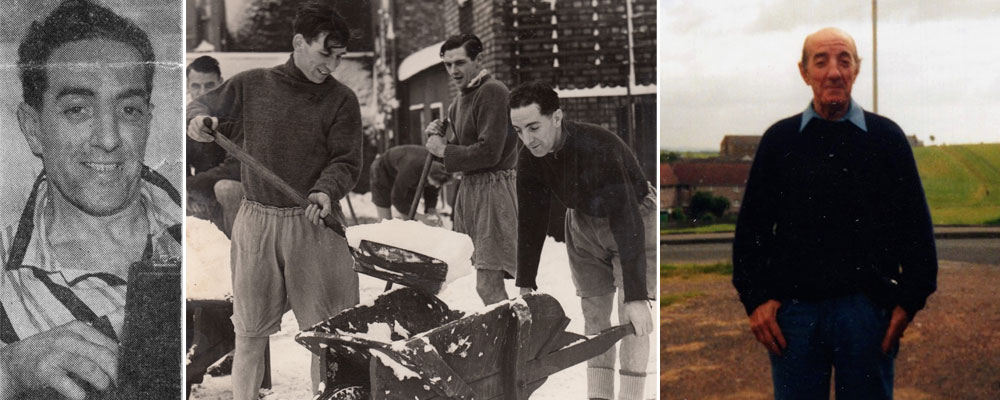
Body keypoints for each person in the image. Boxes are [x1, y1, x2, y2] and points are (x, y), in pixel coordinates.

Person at [732, 27, 937, 399]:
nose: (833, 72)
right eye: (821, 61)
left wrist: (908, 302)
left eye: (844, 61)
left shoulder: (887, 139)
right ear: (804, 71)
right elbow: (751, 233)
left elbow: (917, 232)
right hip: (793, 319)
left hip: (867, 316)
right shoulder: (779, 141)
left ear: (856, 70)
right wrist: (755, 299)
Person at [0, 0, 182, 399]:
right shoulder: (5, 274)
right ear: (33, 129)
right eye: (78, 109)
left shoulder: (203, 240)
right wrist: (9, 373)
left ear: (148, 121)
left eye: (129, 109)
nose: (109, 138)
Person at [186, 2, 362, 398]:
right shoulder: (252, 84)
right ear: (299, 43)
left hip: (313, 223)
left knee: (326, 334)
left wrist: (325, 190)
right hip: (258, 223)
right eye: (324, 53)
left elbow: (347, 160)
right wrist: (198, 121)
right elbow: (202, 107)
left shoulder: (341, 100)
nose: (332, 65)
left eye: (339, 56)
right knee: (249, 333)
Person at [510, 81, 655, 400]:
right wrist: (525, 283)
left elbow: (625, 217)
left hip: (633, 217)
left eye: (534, 127)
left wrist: (635, 294)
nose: (527, 139)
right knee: (595, 318)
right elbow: (531, 221)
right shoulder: (530, 158)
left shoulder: (597, 147)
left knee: (630, 319)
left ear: (557, 117)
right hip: (582, 224)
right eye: (519, 131)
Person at [424, 33, 518, 305]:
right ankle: (511, 338)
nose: (453, 70)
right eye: (448, 64)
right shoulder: (458, 101)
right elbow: (460, 156)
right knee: (485, 281)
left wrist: (444, 150)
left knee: (488, 284)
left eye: (460, 63)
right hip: (471, 192)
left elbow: (489, 152)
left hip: (493, 191)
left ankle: (515, 340)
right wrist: (438, 142)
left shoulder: (493, 92)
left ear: (479, 60)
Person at [184, 55, 244, 237]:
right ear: (187, 87)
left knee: (226, 189)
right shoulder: (188, 118)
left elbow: (235, 168)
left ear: (221, 84)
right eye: (196, 86)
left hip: (236, 195)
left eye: (209, 86)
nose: (202, 93)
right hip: (203, 194)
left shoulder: (236, 115)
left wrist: (190, 185)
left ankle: (238, 251)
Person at [370, 144, 452, 223]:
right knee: (385, 221)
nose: (436, 187)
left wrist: (432, 211)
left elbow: (432, 193)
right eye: (435, 184)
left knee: (410, 220)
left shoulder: (436, 168)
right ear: (427, 175)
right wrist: (421, 217)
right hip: (383, 170)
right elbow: (397, 198)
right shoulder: (411, 170)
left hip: (404, 171)